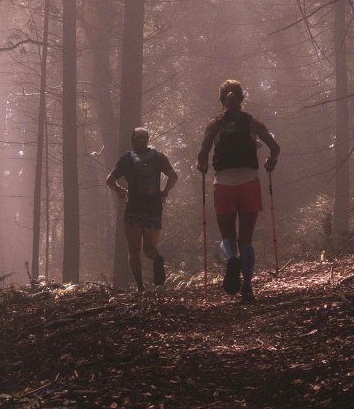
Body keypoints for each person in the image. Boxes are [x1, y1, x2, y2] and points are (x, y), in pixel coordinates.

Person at [197, 79, 280, 302]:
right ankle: (248, 289)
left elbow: (203, 155)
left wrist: (203, 167)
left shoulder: (214, 125)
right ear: (242, 99)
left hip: (223, 183)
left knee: (228, 237)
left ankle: (231, 258)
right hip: (249, 182)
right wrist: (270, 163)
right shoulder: (253, 123)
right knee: (246, 239)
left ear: (221, 100)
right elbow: (275, 148)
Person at [107, 127, 178, 292]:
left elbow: (109, 180)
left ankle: (140, 287)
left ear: (133, 140)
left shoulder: (126, 159)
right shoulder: (158, 157)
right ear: (147, 140)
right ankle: (157, 257)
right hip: (153, 208)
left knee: (133, 250)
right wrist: (164, 192)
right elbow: (173, 176)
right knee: (148, 249)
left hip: (133, 209)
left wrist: (120, 191)